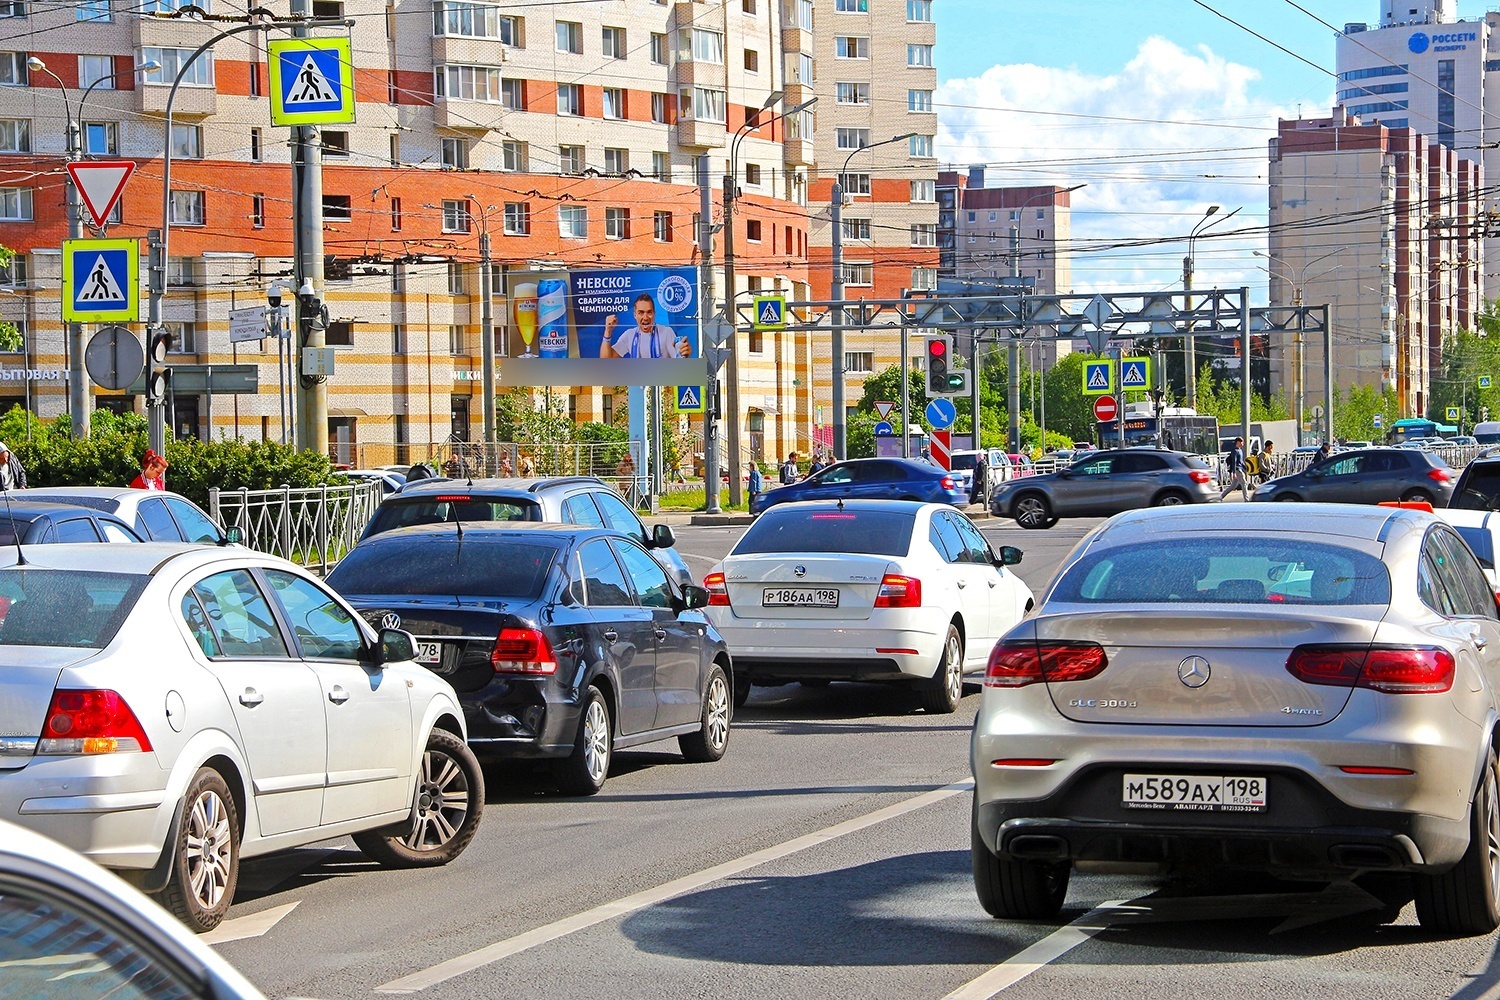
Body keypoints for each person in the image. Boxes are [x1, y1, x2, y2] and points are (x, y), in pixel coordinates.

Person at [599, 293, 692, 359]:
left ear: (654, 314)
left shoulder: (666, 332)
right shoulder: (629, 335)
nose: (645, 317)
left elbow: (679, 359)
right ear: (635, 315)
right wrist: (608, 331)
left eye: (649, 312)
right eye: (641, 312)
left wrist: (684, 353)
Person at [1220, 436, 1248, 501]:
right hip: (1237, 470)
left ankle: (1221, 497)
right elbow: (1234, 462)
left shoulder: (1240, 450)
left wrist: (1246, 468)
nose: (1242, 443)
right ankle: (1246, 499)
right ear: (1237, 442)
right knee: (1244, 483)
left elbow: (1241, 461)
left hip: (1239, 469)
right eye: (1241, 442)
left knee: (1233, 486)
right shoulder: (1234, 451)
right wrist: (1234, 472)